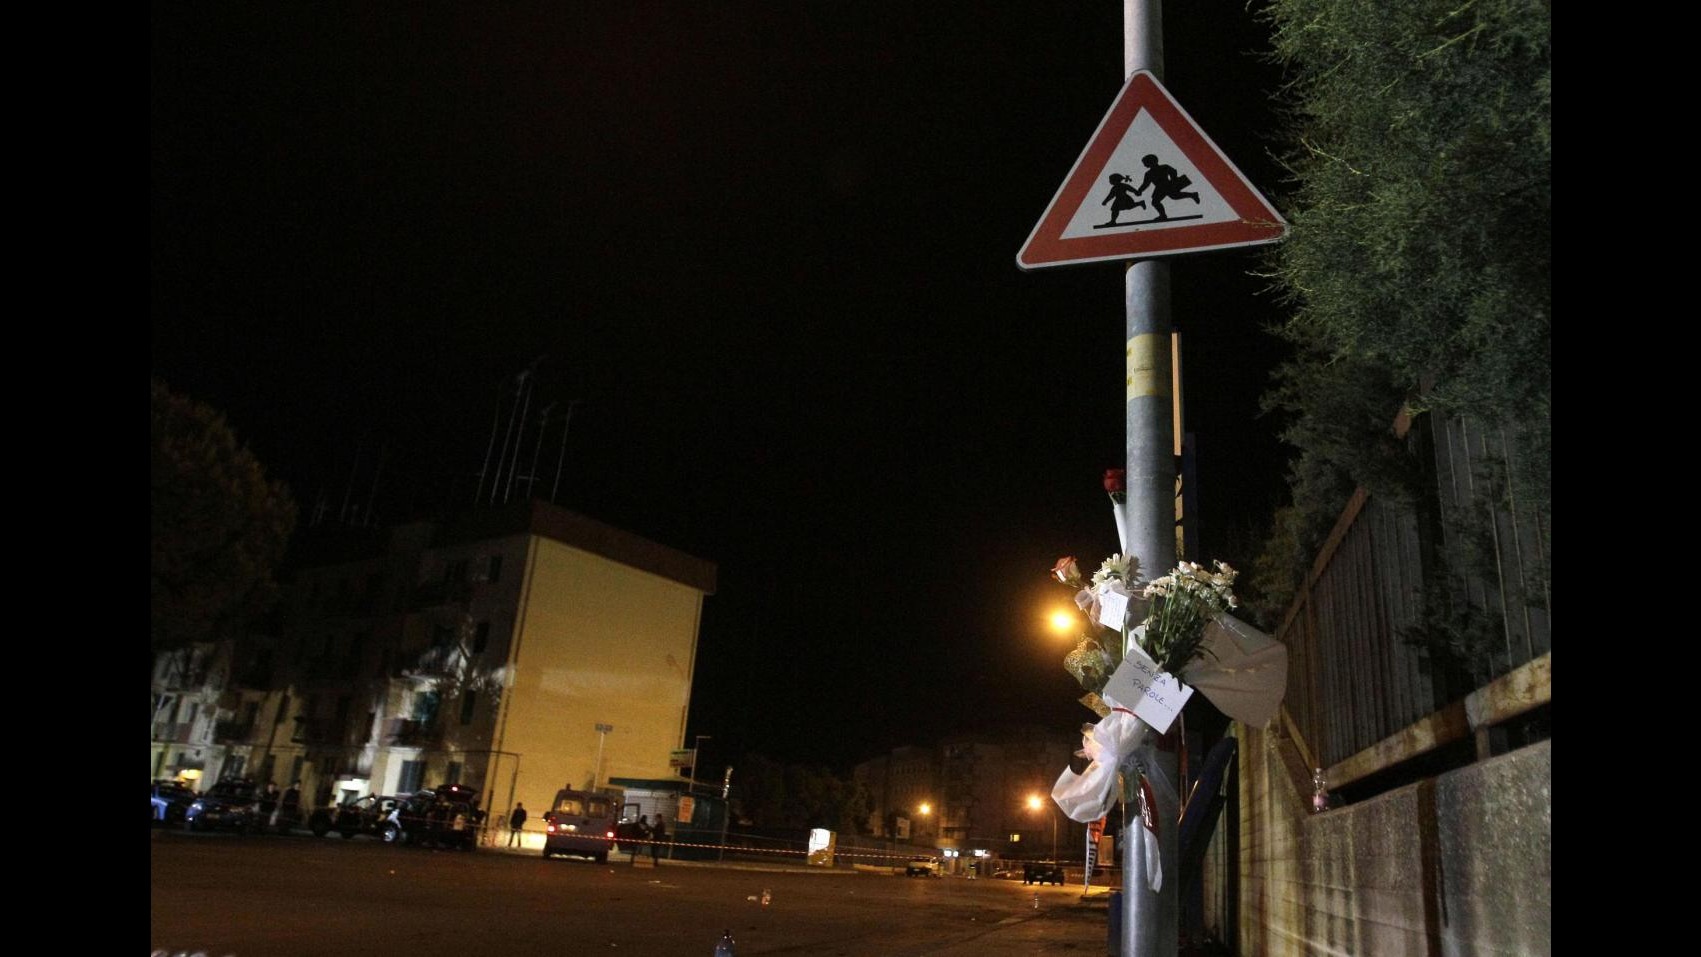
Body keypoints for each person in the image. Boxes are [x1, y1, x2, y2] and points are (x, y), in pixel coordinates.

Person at [1132, 153, 1200, 221]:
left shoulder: (1163, 167)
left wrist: (1174, 180)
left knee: (1169, 198)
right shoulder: (1149, 173)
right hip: (1160, 188)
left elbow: (1173, 172)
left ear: (1151, 162)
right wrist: (1140, 190)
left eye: (1145, 162)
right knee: (1160, 200)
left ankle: (1192, 195)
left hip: (1167, 185)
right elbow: (1145, 184)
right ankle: (1192, 195)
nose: (1144, 164)